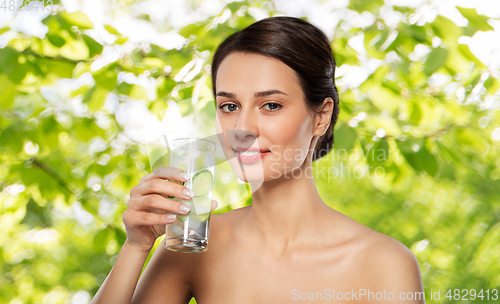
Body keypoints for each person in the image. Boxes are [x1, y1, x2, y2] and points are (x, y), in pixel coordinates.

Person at [91, 16, 425, 303]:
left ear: (321, 117)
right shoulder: (192, 248)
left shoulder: (383, 264)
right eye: (229, 106)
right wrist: (136, 247)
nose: (242, 128)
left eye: (271, 105)